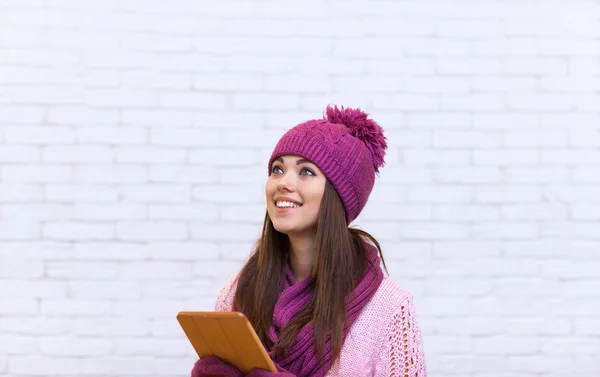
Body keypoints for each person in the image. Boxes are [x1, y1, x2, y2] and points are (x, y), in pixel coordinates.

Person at [191, 105, 426, 377]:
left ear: (340, 196)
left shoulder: (388, 308)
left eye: (306, 172)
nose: (283, 182)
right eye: (277, 169)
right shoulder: (237, 292)